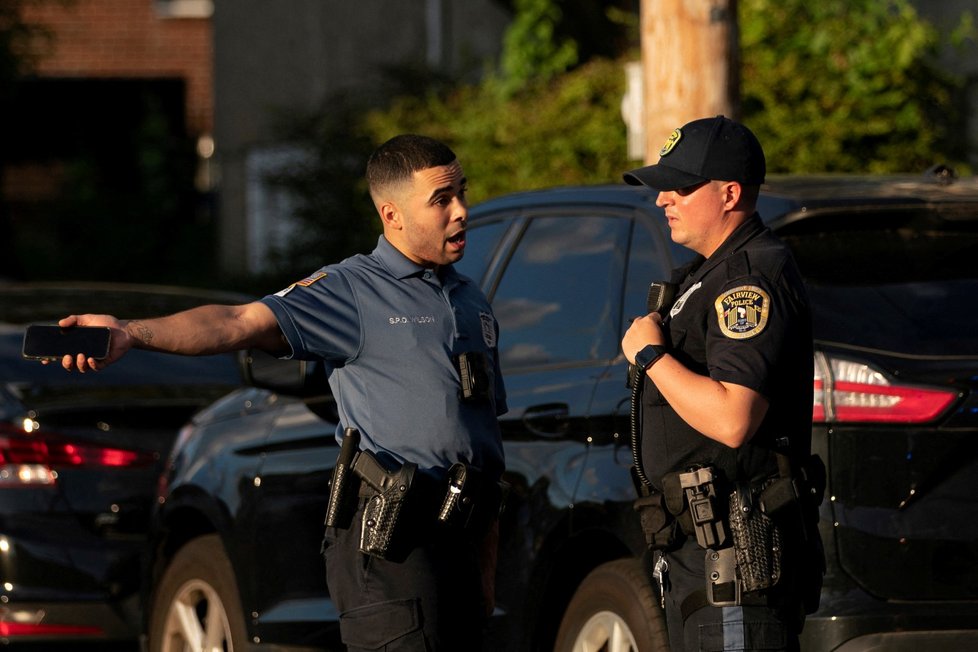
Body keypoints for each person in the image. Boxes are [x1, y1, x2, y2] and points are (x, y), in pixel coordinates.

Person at [53, 134, 507, 651]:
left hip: (463, 538)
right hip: (393, 546)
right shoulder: (352, 289)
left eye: (462, 194)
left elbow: (484, 445)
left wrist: (485, 571)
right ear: (392, 214)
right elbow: (236, 321)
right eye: (441, 201)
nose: (462, 212)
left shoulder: (471, 300)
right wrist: (131, 333)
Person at [620, 116, 823, 651]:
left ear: (729, 193)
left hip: (733, 563)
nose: (664, 198)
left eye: (681, 186)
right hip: (702, 561)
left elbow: (734, 419)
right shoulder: (711, 272)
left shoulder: (748, 278)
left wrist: (650, 356)